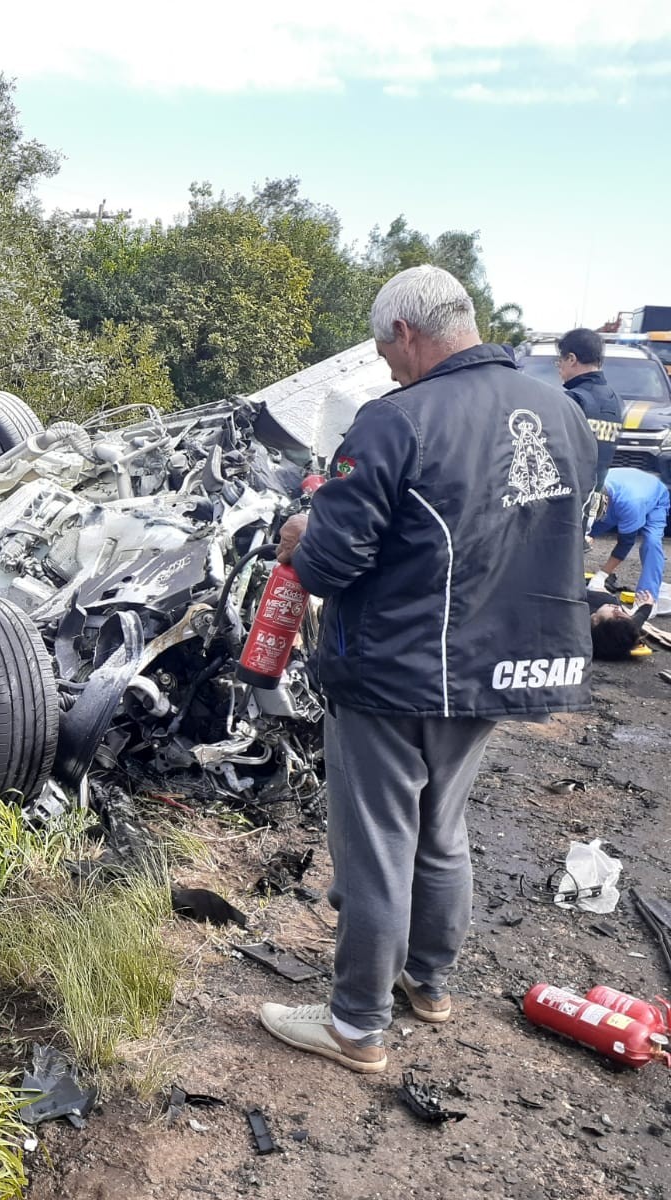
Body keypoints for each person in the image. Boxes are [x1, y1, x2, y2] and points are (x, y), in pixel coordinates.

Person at [258, 265, 596, 1073]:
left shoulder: (396, 421)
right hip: (496, 666)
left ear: (406, 333)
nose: (387, 369)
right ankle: (429, 984)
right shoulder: (564, 411)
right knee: (441, 830)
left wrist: (306, 534)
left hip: (396, 670)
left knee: (377, 843)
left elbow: (333, 566)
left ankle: (354, 1025)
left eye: (385, 353)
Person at [587, 465, 668, 627]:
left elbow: (626, 543)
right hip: (621, 489)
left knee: (651, 543)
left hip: (654, 498)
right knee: (585, 533)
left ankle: (647, 600)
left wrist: (602, 576)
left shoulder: (631, 504)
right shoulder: (590, 486)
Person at [556, 327, 622, 493]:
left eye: (560, 361)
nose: (559, 368)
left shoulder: (573, 399)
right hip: (595, 494)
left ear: (571, 359)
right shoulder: (615, 400)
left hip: (568, 498)